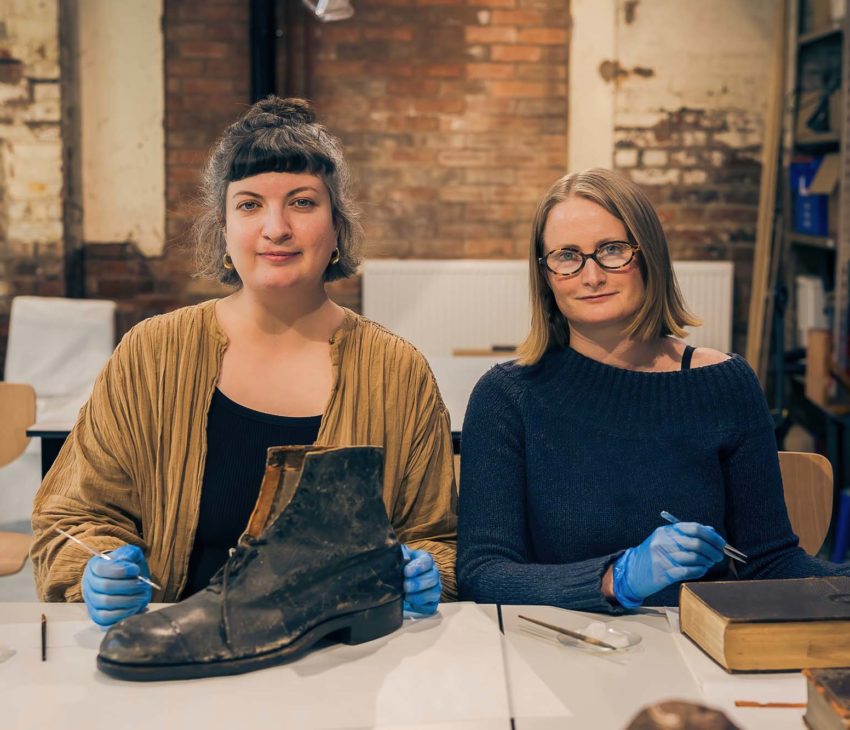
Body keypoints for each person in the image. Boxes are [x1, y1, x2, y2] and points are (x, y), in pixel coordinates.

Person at [31, 96, 455, 626]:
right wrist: (93, 567)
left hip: (338, 664)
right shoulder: (151, 354)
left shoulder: (397, 373)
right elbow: (73, 514)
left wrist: (426, 571)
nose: (275, 228)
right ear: (224, 230)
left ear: (337, 229)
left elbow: (435, 533)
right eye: (250, 204)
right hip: (175, 650)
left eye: (301, 203)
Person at [457, 167, 849, 613]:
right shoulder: (506, 397)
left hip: (695, 651)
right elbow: (484, 573)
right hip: (559, 650)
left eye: (612, 250)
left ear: (649, 256)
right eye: (567, 256)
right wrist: (615, 577)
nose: (591, 276)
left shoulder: (724, 384)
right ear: (545, 274)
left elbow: (770, 562)